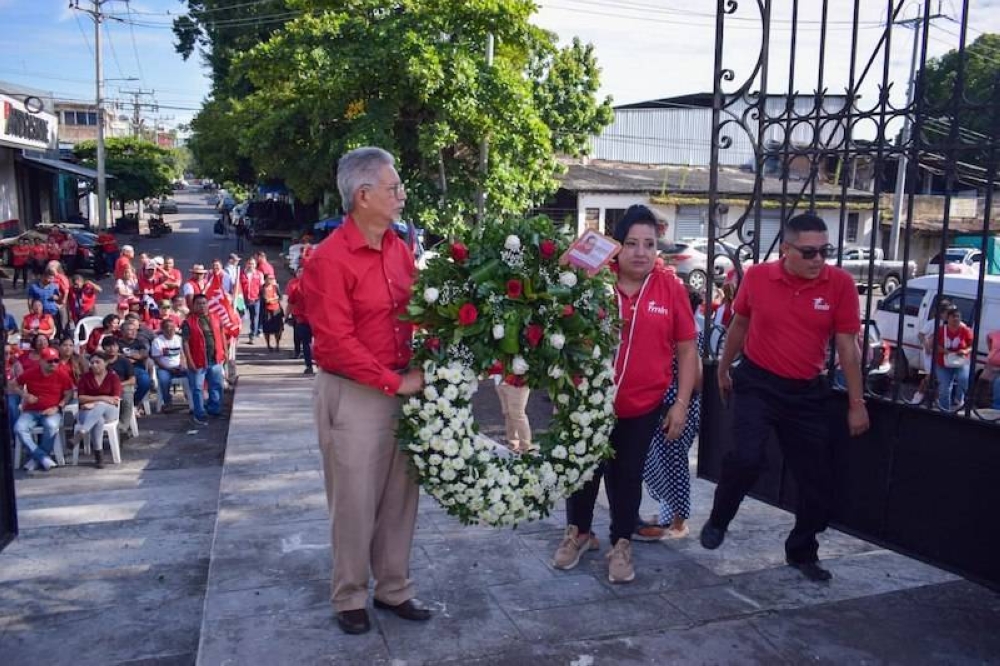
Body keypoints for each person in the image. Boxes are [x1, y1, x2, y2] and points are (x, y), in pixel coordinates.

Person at [700, 212, 870, 583]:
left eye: (825, 251)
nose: (818, 260)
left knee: (816, 480)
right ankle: (719, 518)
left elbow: (847, 348)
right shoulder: (760, 277)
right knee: (746, 457)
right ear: (786, 250)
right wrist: (723, 368)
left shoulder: (839, 284)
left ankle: (802, 551)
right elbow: (739, 324)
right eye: (809, 252)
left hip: (806, 392)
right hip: (758, 382)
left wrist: (857, 404)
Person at [302, 147, 429, 635]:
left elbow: (417, 310)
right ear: (363, 195)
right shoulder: (330, 259)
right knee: (354, 499)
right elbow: (335, 343)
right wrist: (396, 382)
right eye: (394, 188)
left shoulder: (399, 248)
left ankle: (394, 587)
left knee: (400, 494)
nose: (401, 195)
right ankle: (349, 594)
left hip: (401, 384)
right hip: (356, 391)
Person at [552, 204, 698, 584]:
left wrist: (680, 404)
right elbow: (555, 289)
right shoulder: (592, 278)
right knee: (583, 470)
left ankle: (621, 542)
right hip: (587, 402)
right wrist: (588, 253)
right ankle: (578, 533)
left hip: (641, 404)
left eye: (649, 244)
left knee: (627, 476)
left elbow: (686, 349)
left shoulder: (670, 288)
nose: (640, 252)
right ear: (617, 245)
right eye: (631, 242)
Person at [635, 286, 705, 542]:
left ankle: (679, 522)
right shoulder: (667, 332)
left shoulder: (688, 338)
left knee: (674, 464)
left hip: (676, 410)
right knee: (659, 463)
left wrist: (680, 403)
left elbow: (697, 382)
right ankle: (668, 516)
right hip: (657, 407)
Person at [14, 346, 75, 471]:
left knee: (51, 426)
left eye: (56, 361)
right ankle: (42, 457)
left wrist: (58, 407)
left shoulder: (61, 374)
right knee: (19, 428)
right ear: (41, 361)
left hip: (52, 411)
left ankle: (36, 459)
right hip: (31, 411)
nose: (53, 364)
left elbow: (69, 393)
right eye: (49, 361)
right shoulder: (31, 372)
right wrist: (25, 395)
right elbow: (12, 385)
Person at [181, 294, 226, 426]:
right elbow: (185, 343)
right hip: (198, 361)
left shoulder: (216, 318)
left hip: (215, 359)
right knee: (198, 388)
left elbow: (222, 334)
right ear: (193, 306)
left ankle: (215, 410)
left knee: (216, 386)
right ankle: (199, 414)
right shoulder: (188, 322)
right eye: (199, 303)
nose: (202, 306)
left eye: (204, 303)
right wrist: (189, 361)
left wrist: (225, 352)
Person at [74, 353, 122, 468]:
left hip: (109, 411)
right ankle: (99, 456)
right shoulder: (85, 378)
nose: (94, 365)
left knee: (101, 406)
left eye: (98, 362)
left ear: (105, 363)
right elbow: (80, 398)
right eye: (92, 363)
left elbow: (115, 400)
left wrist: (95, 403)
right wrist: (102, 398)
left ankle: (83, 431)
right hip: (87, 411)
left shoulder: (113, 377)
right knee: (98, 420)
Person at [911, 300, 953, 406]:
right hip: (930, 354)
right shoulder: (932, 323)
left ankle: (935, 399)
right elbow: (921, 335)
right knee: (930, 376)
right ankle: (918, 396)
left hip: (940, 354)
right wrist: (926, 346)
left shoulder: (947, 325)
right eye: (947, 313)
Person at [933, 305, 973, 411]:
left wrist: (964, 351)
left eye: (958, 316)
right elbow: (934, 344)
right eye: (953, 316)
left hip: (961, 362)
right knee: (944, 388)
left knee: (963, 379)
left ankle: (959, 402)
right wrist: (945, 351)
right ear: (948, 318)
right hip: (943, 363)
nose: (956, 319)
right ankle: (944, 411)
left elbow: (972, 346)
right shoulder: (941, 330)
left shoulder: (966, 330)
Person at [100, 337, 137, 438]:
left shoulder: (124, 361)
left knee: (127, 396)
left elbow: (132, 380)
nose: (112, 348)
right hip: (104, 388)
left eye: (114, 346)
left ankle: (122, 428)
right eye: (108, 346)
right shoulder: (100, 361)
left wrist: (119, 385)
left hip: (123, 385)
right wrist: (105, 364)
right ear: (103, 348)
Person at [151, 319, 187, 412]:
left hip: (178, 367)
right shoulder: (157, 341)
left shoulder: (179, 339)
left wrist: (181, 365)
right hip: (164, 368)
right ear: (162, 329)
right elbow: (156, 359)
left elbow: (182, 354)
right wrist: (168, 369)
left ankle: (191, 399)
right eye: (167, 327)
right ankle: (167, 402)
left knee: (192, 375)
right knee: (164, 380)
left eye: (172, 327)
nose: (170, 329)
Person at [115, 319, 152, 410]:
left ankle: (133, 404)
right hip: (121, 370)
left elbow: (144, 355)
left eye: (135, 330)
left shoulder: (139, 342)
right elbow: (116, 356)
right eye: (130, 330)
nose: (134, 332)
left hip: (137, 369)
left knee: (146, 381)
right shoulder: (117, 343)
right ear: (122, 332)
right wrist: (134, 356)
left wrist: (127, 356)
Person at [285, 266, 314, 374]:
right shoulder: (317, 287)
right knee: (317, 343)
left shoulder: (297, 288)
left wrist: (286, 316)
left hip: (302, 319)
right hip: (315, 320)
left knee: (306, 343)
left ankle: (309, 366)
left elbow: (290, 304)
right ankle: (320, 365)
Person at [495, 376, 531, 453]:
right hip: (499, 380)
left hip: (517, 382)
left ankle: (525, 447)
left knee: (517, 414)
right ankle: (513, 443)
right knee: (508, 413)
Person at [240, 258, 264, 342]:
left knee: (254, 318)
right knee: (239, 317)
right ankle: (236, 334)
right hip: (242, 300)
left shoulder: (259, 274)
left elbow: (262, 287)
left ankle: (252, 335)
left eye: (253, 264)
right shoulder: (241, 273)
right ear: (247, 264)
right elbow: (236, 287)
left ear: (255, 265)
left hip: (255, 300)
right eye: (249, 263)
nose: (251, 265)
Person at [260, 274, 284, 351]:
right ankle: (268, 345)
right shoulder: (262, 288)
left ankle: (277, 344)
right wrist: (274, 298)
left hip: (276, 310)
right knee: (267, 329)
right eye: (269, 278)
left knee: (278, 329)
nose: (271, 280)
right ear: (265, 279)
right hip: (267, 311)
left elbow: (280, 297)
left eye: (272, 278)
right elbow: (265, 300)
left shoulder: (275, 287)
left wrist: (272, 299)